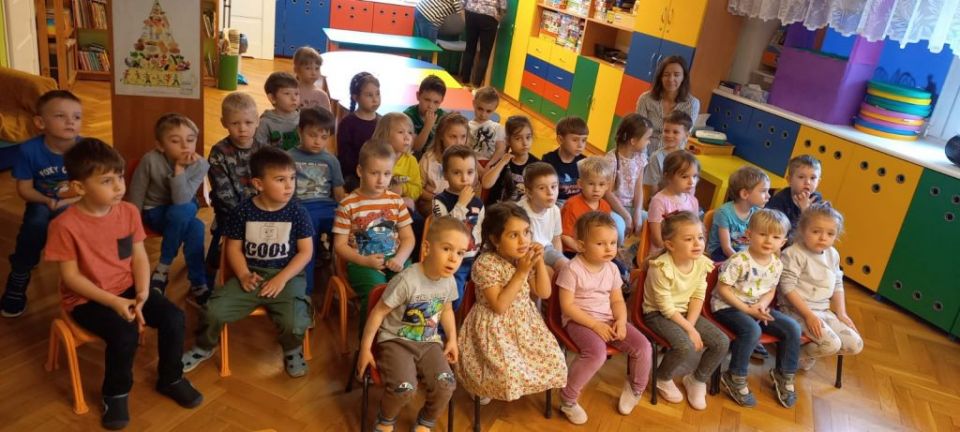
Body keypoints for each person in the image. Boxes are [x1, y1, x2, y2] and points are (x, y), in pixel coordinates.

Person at [46, 139, 202, 430]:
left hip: (128, 288)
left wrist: (143, 292)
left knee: (173, 317)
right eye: (107, 181)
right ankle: (115, 393)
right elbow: (71, 278)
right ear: (79, 187)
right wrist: (114, 301)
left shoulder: (128, 212)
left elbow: (138, 257)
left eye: (119, 176)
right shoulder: (64, 226)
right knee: (124, 332)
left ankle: (171, 378)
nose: (119, 186)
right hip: (86, 300)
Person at [181, 147, 315, 378]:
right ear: (259, 184)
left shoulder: (298, 212)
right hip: (251, 274)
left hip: (286, 276)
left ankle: (292, 350)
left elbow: (305, 252)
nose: (289, 186)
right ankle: (204, 347)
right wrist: (243, 274)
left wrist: (282, 279)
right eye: (280, 180)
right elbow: (232, 248)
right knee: (213, 311)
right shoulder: (243, 211)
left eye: (292, 178)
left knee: (294, 321)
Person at [356, 216, 468, 432]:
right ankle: (385, 420)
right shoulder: (406, 280)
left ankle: (426, 421)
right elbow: (378, 313)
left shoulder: (449, 281)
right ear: (427, 248)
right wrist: (365, 349)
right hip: (396, 341)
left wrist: (452, 340)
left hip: (429, 343)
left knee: (446, 385)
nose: (453, 258)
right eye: (447, 249)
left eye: (460, 253)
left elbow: (446, 310)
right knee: (404, 388)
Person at [456, 202, 567, 404]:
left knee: (555, 360)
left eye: (526, 232)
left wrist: (539, 263)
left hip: (525, 324)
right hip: (492, 327)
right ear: (495, 239)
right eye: (513, 235)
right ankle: (481, 385)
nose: (523, 240)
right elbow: (499, 306)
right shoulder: (486, 263)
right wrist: (522, 272)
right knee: (510, 373)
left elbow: (544, 292)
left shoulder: (522, 258)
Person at [557, 212, 652, 424]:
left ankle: (635, 389)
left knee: (643, 346)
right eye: (600, 243)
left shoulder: (612, 268)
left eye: (613, 243)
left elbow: (617, 300)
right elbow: (567, 307)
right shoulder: (572, 269)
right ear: (581, 245)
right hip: (579, 321)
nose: (609, 248)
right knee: (596, 353)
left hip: (608, 319)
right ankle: (568, 399)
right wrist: (594, 325)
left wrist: (621, 320)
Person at [1, 90, 83, 317]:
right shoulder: (28, 150)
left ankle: (90, 278)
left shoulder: (87, 149)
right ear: (40, 123)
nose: (70, 122)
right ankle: (20, 273)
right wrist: (48, 200)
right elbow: (25, 189)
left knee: (82, 229)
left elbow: (95, 186)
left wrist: (71, 201)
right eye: (60, 116)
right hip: (41, 200)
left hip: (78, 202)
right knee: (35, 224)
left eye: (76, 117)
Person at [711, 209, 802, 408]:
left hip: (756, 308)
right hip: (727, 306)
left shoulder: (776, 264)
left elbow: (771, 290)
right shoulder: (739, 260)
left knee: (792, 328)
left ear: (783, 242)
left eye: (775, 237)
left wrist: (761, 305)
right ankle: (735, 376)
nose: (768, 241)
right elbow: (723, 289)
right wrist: (747, 309)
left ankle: (784, 374)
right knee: (752, 330)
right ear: (749, 234)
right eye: (762, 234)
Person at [642, 211, 729, 410]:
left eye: (700, 237)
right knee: (685, 346)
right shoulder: (661, 267)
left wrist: (690, 324)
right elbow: (665, 308)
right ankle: (662, 377)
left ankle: (697, 379)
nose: (697, 243)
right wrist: (690, 329)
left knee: (721, 342)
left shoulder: (702, 263)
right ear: (670, 245)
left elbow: (698, 296)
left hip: (685, 312)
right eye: (689, 239)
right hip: (657, 314)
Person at [127, 114, 209, 300]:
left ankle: (165, 270)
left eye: (190, 140)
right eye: (175, 141)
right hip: (155, 211)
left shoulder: (201, 165)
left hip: (181, 209)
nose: (185, 146)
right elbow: (137, 193)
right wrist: (133, 224)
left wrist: (179, 169)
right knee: (191, 217)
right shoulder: (150, 160)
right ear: (160, 145)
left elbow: (181, 200)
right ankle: (197, 282)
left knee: (192, 221)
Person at [333, 141, 415, 321]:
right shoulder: (347, 204)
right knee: (377, 294)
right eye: (374, 173)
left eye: (387, 174)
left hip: (395, 259)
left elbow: (408, 238)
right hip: (361, 262)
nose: (381, 180)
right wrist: (364, 261)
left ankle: (398, 336)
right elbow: (339, 245)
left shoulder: (396, 201)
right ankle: (368, 338)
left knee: (412, 289)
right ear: (360, 171)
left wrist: (400, 258)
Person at [778, 203, 863, 371]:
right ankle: (789, 359)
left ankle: (802, 355)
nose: (823, 238)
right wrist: (809, 316)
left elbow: (837, 283)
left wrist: (841, 313)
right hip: (795, 311)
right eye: (816, 232)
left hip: (823, 310)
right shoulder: (793, 253)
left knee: (856, 344)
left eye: (830, 234)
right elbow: (787, 288)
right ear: (802, 229)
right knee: (831, 344)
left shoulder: (833, 254)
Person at [206, 92, 265, 297]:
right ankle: (206, 284)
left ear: (257, 121)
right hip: (230, 213)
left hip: (263, 210)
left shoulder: (263, 150)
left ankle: (260, 274)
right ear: (224, 123)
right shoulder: (218, 152)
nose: (242, 129)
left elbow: (270, 183)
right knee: (217, 251)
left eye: (248, 122)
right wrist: (247, 215)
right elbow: (223, 194)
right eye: (235, 123)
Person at [288, 107, 345, 295]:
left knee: (348, 228)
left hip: (327, 207)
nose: (317, 141)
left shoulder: (331, 160)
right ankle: (307, 289)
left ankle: (345, 281)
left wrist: (349, 214)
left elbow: (338, 193)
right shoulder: (289, 157)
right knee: (308, 238)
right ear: (300, 131)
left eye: (324, 137)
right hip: (301, 207)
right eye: (312, 135)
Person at [431, 145, 484, 309]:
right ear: (445, 174)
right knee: (454, 299)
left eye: (470, 172)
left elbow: (480, 231)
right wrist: (461, 204)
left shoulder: (478, 203)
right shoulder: (440, 201)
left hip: (474, 257)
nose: (464, 178)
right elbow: (444, 229)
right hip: (452, 259)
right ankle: (441, 323)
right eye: (457, 173)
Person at [635, 55, 700, 155]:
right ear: (660, 77)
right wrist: (643, 160)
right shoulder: (645, 99)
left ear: (683, 77)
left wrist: (668, 160)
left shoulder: (692, 104)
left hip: (671, 156)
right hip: (643, 153)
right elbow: (639, 132)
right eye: (666, 75)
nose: (671, 79)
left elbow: (683, 138)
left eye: (676, 75)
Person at [707, 166, 771, 262]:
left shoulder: (757, 213)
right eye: (763, 191)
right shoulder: (724, 213)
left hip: (742, 251)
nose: (768, 195)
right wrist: (743, 262)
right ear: (744, 194)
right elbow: (726, 248)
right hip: (720, 252)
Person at [560, 156, 621, 253]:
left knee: (617, 263)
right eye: (591, 184)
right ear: (580, 184)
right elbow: (564, 236)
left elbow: (606, 234)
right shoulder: (571, 205)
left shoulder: (606, 207)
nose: (596, 189)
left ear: (607, 186)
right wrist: (583, 251)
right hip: (573, 251)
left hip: (596, 251)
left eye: (601, 184)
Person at [605, 113, 652, 238]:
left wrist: (637, 212)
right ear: (633, 141)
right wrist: (626, 216)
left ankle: (635, 249)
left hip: (631, 207)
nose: (649, 142)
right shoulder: (611, 160)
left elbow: (638, 188)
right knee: (619, 231)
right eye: (647, 138)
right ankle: (615, 249)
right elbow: (608, 193)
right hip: (613, 208)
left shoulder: (641, 158)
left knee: (653, 223)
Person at [517, 162, 568, 271]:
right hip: (525, 252)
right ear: (529, 192)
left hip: (547, 249)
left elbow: (556, 239)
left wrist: (559, 259)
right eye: (542, 188)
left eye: (553, 186)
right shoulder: (519, 212)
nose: (550, 192)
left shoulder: (555, 210)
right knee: (547, 272)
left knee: (566, 266)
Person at [648, 151, 701, 251]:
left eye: (694, 176)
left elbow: (696, 231)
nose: (691, 182)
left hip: (686, 252)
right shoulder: (659, 201)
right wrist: (677, 252)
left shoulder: (693, 201)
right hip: (664, 252)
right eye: (684, 177)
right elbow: (657, 240)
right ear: (668, 176)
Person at [338, 72, 382, 191]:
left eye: (377, 94)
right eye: (369, 95)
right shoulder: (347, 123)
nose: (375, 99)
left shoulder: (383, 121)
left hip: (379, 173)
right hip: (356, 175)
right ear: (355, 97)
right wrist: (366, 171)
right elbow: (345, 159)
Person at [481, 115, 539, 205]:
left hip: (519, 211)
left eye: (528, 137)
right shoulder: (503, 161)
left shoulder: (537, 165)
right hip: (497, 209)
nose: (525, 143)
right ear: (508, 141)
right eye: (518, 138)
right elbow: (486, 184)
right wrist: (502, 163)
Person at [419, 112, 469, 214]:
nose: (458, 142)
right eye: (453, 137)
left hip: (460, 203)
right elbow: (418, 188)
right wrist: (436, 198)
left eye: (463, 137)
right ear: (441, 136)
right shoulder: (429, 159)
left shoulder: (469, 160)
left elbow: (472, 188)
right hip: (433, 202)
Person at [373, 112, 422, 214]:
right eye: (401, 132)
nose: (407, 137)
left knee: (409, 204)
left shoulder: (411, 161)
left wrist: (402, 189)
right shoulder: (375, 158)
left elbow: (417, 190)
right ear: (385, 135)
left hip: (401, 204)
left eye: (410, 133)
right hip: (378, 201)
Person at [766, 155, 823, 242]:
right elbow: (773, 230)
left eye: (813, 178)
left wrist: (805, 211)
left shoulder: (817, 199)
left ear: (818, 182)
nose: (807, 182)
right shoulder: (780, 200)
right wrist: (805, 212)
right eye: (801, 177)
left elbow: (818, 229)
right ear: (789, 180)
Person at [460, 0, 508, 88]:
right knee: (484, 54)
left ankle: (465, 82)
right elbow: (503, 7)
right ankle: (476, 85)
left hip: (471, 13)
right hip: (489, 16)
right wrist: (499, 18)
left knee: (469, 49)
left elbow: (462, 2)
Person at [542, 116, 588, 207]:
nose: (580, 145)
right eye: (575, 140)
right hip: (554, 202)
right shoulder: (548, 160)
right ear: (560, 140)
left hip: (577, 202)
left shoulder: (584, 162)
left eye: (584, 140)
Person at [644, 111, 692, 196]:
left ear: (686, 135)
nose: (669, 135)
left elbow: (690, 184)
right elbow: (652, 188)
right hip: (661, 199)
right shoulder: (656, 157)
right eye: (666, 131)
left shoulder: (688, 158)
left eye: (675, 132)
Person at [255, 72, 301, 150]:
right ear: (272, 98)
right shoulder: (265, 123)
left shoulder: (303, 118)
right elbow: (259, 149)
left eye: (296, 94)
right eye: (287, 93)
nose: (294, 98)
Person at [404, 75, 447, 155]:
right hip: (415, 156)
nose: (430, 106)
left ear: (441, 101)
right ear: (418, 96)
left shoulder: (443, 117)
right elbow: (415, 148)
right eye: (427, 100)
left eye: (436, 102)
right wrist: (427, 126)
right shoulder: (408, 117)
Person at [467, 86, 506, 169]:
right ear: (474, 104)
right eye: (480, 109)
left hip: (491, 164)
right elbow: (466, 149)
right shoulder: (467, 126)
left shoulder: (498, 128)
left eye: (488, 111)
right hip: (472, 164)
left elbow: (500, 149)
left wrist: (490, 165)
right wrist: (479, 168)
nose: (483, 114)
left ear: (495, 109)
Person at [292, 46, 331, 111]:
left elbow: (327, 116)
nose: (313, 73)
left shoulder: (322, 96)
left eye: (317, 68)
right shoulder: (289, 92)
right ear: (296, 69)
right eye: (308, 68)